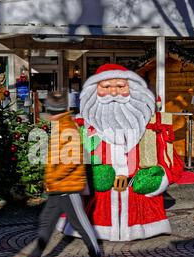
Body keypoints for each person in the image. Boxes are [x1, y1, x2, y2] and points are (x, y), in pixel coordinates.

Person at [57, 64, 184, 241]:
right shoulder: (81, 126)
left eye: (120, 86)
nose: (114, 93)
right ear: (95, 90)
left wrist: (157, 178)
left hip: (139, 206)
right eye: (106, 87)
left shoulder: (150, 124)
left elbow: (172, 159)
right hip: (97, 205)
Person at [8, 92, 104, 257]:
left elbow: (72, 160)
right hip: (57, 187)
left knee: (81, 223)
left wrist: (53, 178)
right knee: (46, 223)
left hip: (67, 186)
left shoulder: (67, 127)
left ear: (52, 111)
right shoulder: (60, 125)